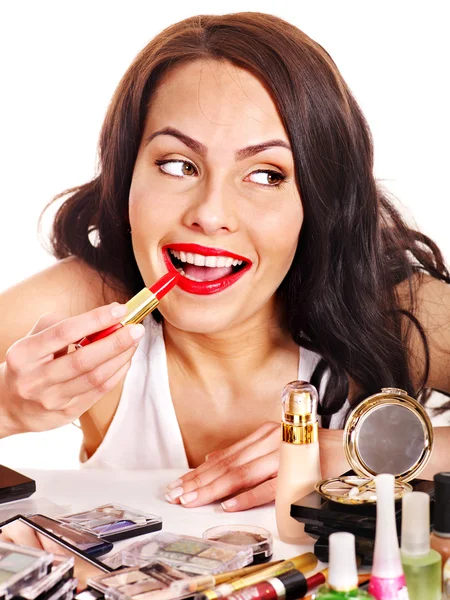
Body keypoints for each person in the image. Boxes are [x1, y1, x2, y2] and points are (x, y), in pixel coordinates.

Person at [0, 12, 449, 512]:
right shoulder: (85, 306)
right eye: (177, 165)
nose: (210, 215)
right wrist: (6, 409)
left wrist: (358, 452)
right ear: (127, 175)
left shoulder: (390, 309)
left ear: (318, 200)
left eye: (265, 175)